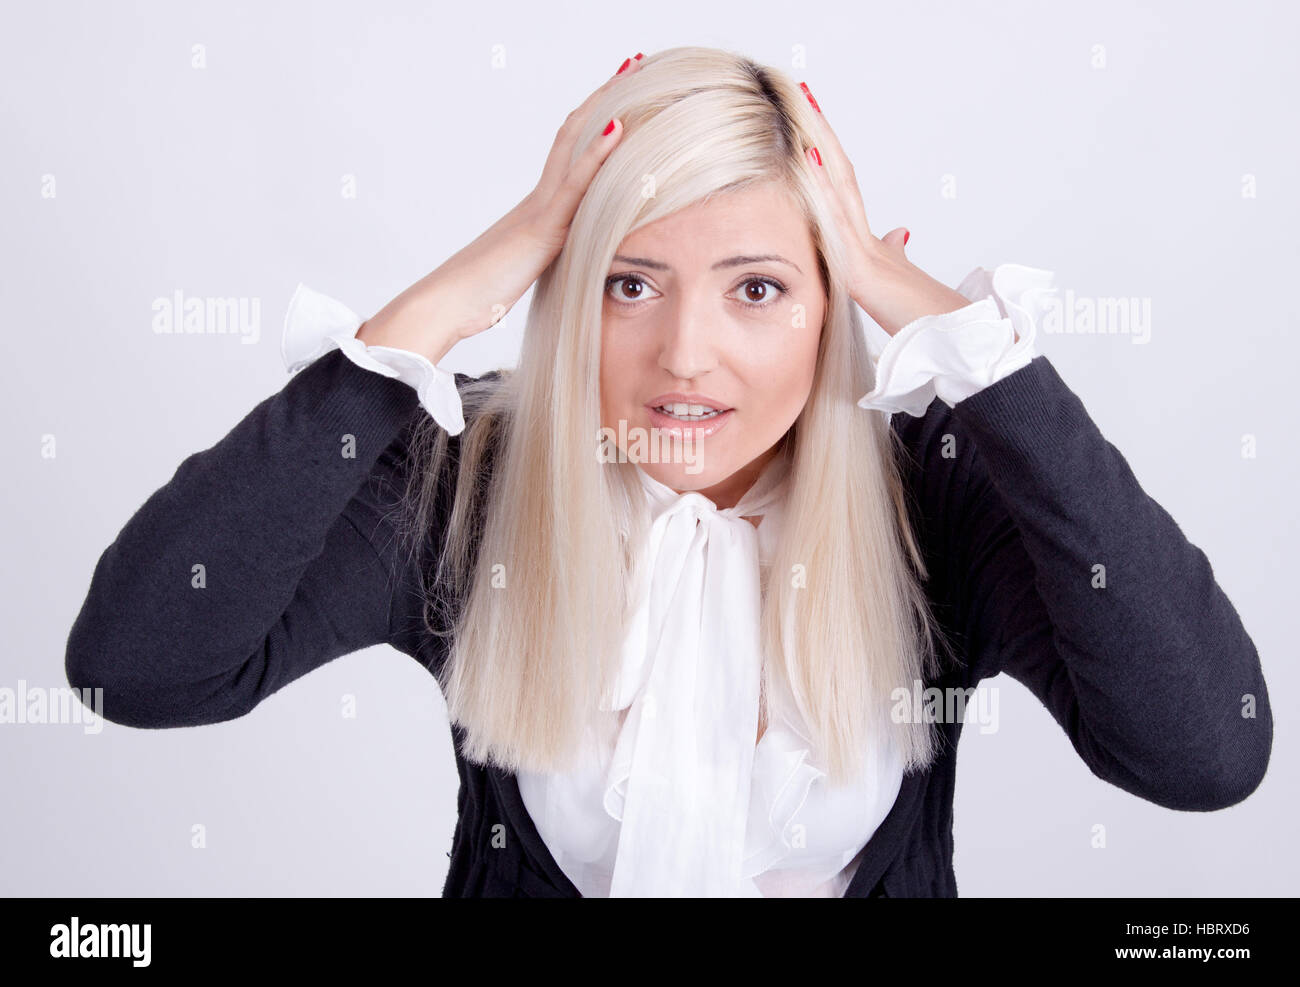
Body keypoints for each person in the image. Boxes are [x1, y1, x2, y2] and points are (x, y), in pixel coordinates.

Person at [65, 46, 1272, 897]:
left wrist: (975, 353)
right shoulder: (474, 480)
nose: (682, 355)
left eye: (758, 288)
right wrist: (438, 308)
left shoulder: (938, 492)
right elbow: (139, 671)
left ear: (832, 304)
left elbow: (1206, 753)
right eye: (626, 284)